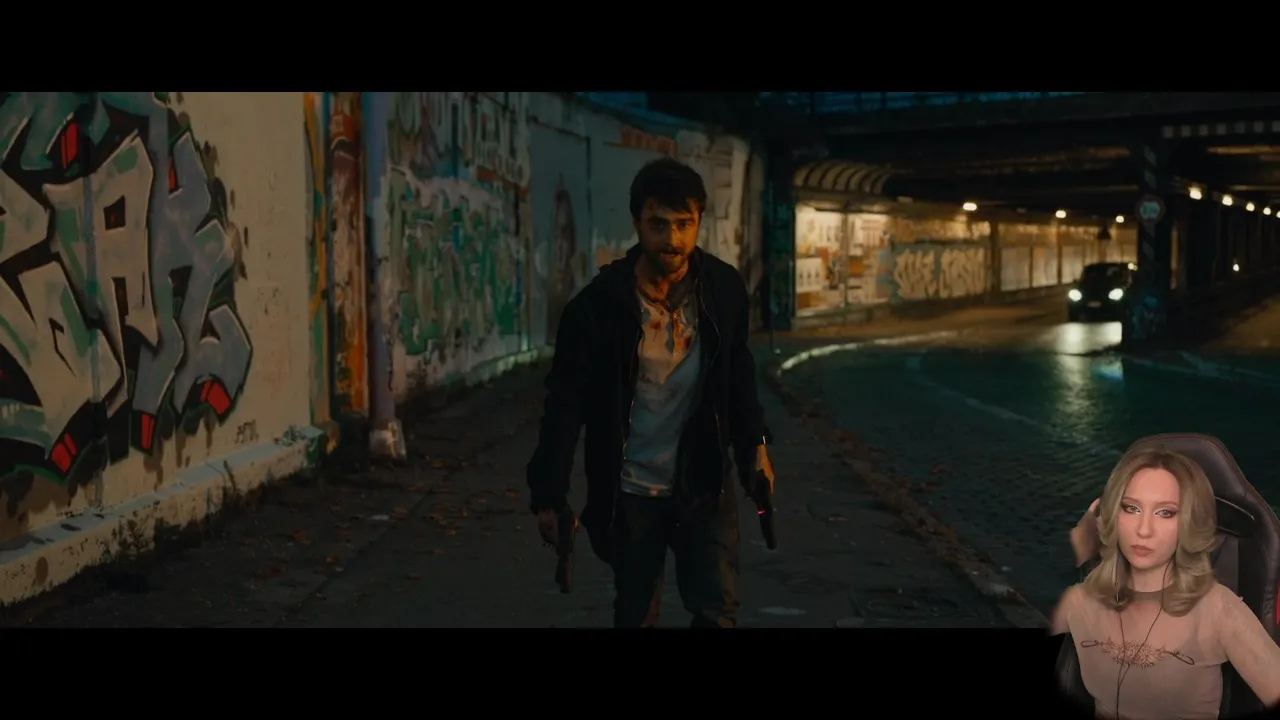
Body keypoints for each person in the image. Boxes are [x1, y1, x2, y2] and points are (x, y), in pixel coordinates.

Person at [525, 156, 774, 628]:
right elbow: (564, 406)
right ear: (637, 223)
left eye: (684, 224)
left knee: (718, 610)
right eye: (659, 224)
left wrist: (755, 447)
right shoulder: (596, 309)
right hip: (631, 492)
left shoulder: (722, 289)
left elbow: (738, 376)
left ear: (699, 222)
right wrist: (549, 494)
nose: (673, 239)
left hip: (704, 482)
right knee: (637, 614)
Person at [1051, 446, 1280, 719]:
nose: (1143, 530)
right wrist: (1077, 546)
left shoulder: (1218, 610)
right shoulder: (1078, 601)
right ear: (1112, 515)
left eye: (1165, 513)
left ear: (1189, 523)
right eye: (1131, 508)